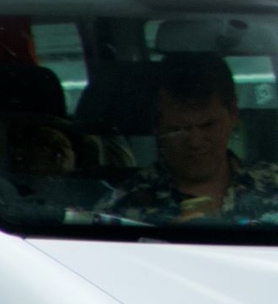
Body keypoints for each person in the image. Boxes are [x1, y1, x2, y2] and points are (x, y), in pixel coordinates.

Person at [98, 51, 278, 224]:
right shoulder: (121, 207)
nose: (195, 142)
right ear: (157, 127)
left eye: (208, 125)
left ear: (232, 113)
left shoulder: (273, 184)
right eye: (177, 129)